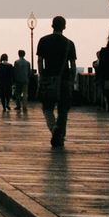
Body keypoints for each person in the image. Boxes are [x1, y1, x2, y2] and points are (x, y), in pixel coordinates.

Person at [36, 16, 77, 147]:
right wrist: (71, 80)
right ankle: (61, 135)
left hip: (48, 79)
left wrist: (42, 76)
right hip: (64, 79)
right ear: (64, 26)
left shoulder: (43, 40)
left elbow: (39, 61)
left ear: (52, 25)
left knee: (47, 108)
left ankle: (54, 129)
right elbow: (73, 65)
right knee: (63, 110)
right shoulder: (69, 43)